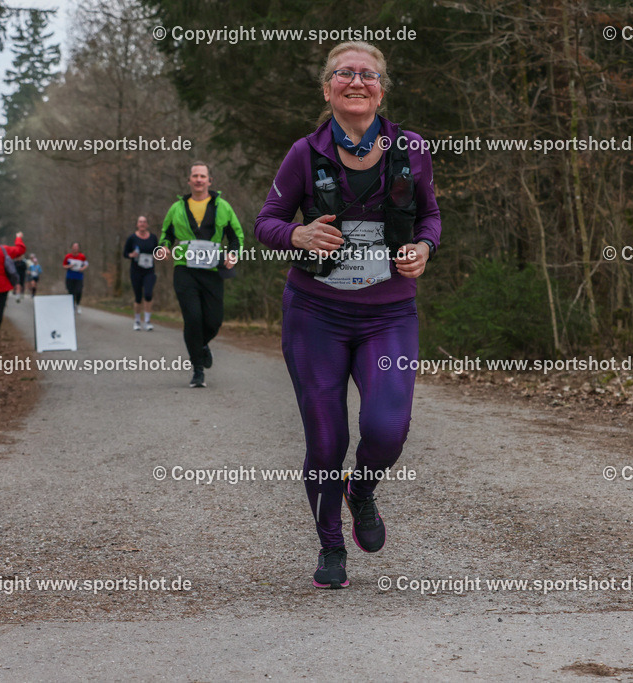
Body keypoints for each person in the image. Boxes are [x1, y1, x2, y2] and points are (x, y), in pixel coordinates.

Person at [254, 41, 441, 589]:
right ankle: (330, 546)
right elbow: (266, 222)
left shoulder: (411, 147)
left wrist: (425, 248)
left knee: (387, 427)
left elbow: (429, 215)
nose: (356, 82)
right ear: (328, 86)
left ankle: (361, 492)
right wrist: (297, 233)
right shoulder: (304, 154)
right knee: (326, 439)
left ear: (382, 87)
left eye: (368, 74)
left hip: (388, 314)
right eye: (344, 74)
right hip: (316, 314)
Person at [159, 162, 242, 387]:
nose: (198, 179)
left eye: (202, 176)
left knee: (214, 321)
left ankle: (202, 345)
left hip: (213, 269)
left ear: (209, 181)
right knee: (193, 318)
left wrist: (233, 254)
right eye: (194, 176)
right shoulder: (177, 208)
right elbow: (166, 234)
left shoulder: (222, 206)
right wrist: (164, 247)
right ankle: (197, 369)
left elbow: (235, 237)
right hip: (184, 268)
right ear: (189, 181)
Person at [123, 215, 159, 330]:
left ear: (147, 224)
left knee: (148, 294)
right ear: (137, 224)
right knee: (138, 297)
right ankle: (137, 320)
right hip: (136, 271)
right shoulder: (132, 238)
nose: (142, 224)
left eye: (144, 222)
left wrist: (161, 254)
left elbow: (157, 251)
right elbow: (125, 253)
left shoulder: (153, 238)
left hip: (149, 270)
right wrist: (131, 255)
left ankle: (147, 321)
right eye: (140, 222)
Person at [62, 243, 88, 313]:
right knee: (71, 292)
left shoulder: (82, 256)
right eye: (74, 247)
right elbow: (64, 266)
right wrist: (69, 266)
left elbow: (86, 264)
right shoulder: (68, 256)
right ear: (71, 248)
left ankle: (78, 304)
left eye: (76, 247)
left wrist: (82, 268)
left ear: (78, 248)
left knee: (79, 291)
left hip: (79, 277)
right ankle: (72, 306)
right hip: (70, 277)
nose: (75, 248)